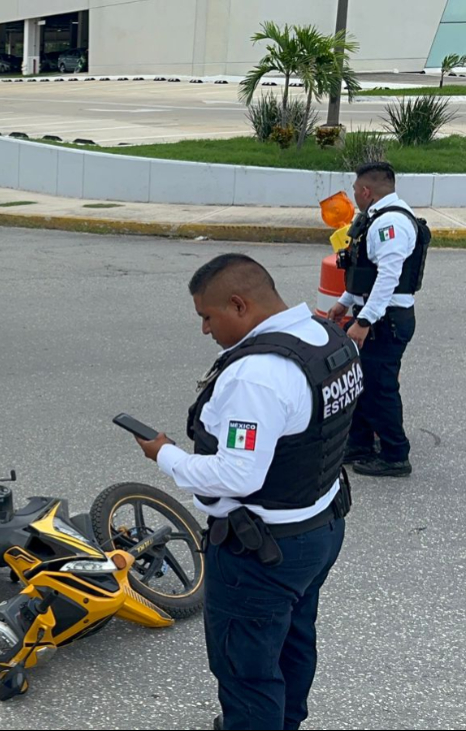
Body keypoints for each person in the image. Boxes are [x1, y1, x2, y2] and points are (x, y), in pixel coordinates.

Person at [134, 254, 360, 731]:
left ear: (238, 304)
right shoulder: (326, 336)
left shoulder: (257, 377)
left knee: (247, 672)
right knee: (294, 639)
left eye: (207, 317)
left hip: (263, 552)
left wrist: (164, 454)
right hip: (320, 524)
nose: (204, 330)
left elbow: (237, 476)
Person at [327, 162, 427, 478]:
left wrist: (365, 321)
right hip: (375, 315)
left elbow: (387, 278)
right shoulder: (374, 218)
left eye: (356, 190)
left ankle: (395, 454)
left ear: (367, 191)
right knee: (362, 384)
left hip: (386, 320)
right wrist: (345, 303)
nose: (354, 195)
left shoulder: (392, 224)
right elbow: (365, 272)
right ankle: (359, 445)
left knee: (380, 387)